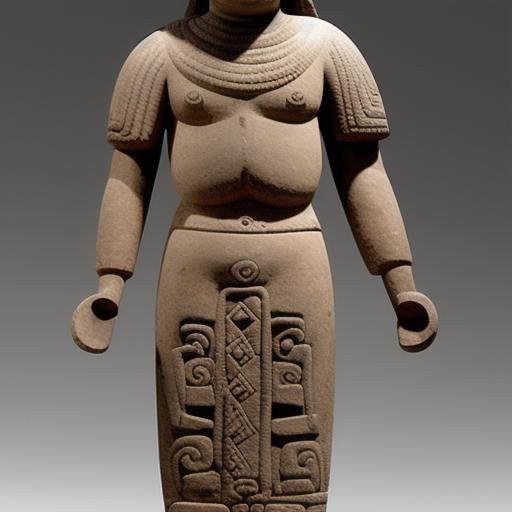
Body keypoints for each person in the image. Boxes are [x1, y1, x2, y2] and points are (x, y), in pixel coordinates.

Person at [72, 1, 438, 511]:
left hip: (294, 249)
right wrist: (110, 283)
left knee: (298, 423)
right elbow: (128, 175)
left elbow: (363, 172)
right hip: (197, 251)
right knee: (192, 430)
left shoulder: (327, 48)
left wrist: (401, 283)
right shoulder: (159, 54)